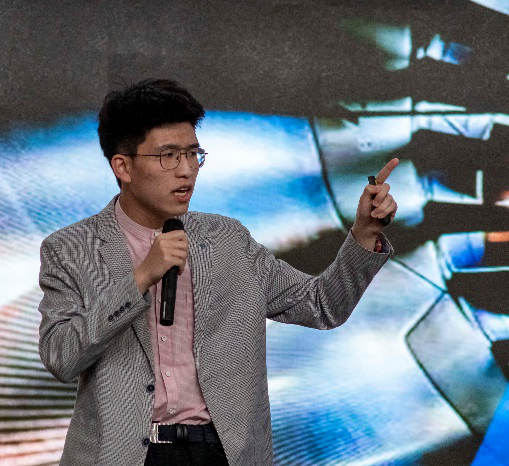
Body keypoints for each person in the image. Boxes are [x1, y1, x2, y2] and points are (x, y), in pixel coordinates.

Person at [37, 79, 398, 465]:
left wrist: (364, 233)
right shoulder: (70, 249)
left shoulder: (228, 240)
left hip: (221, 453)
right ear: (122, 166)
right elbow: (61, 357)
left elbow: (323, 305)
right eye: (168, 156)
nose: (186, 171)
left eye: (193, 154)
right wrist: (140, 277)